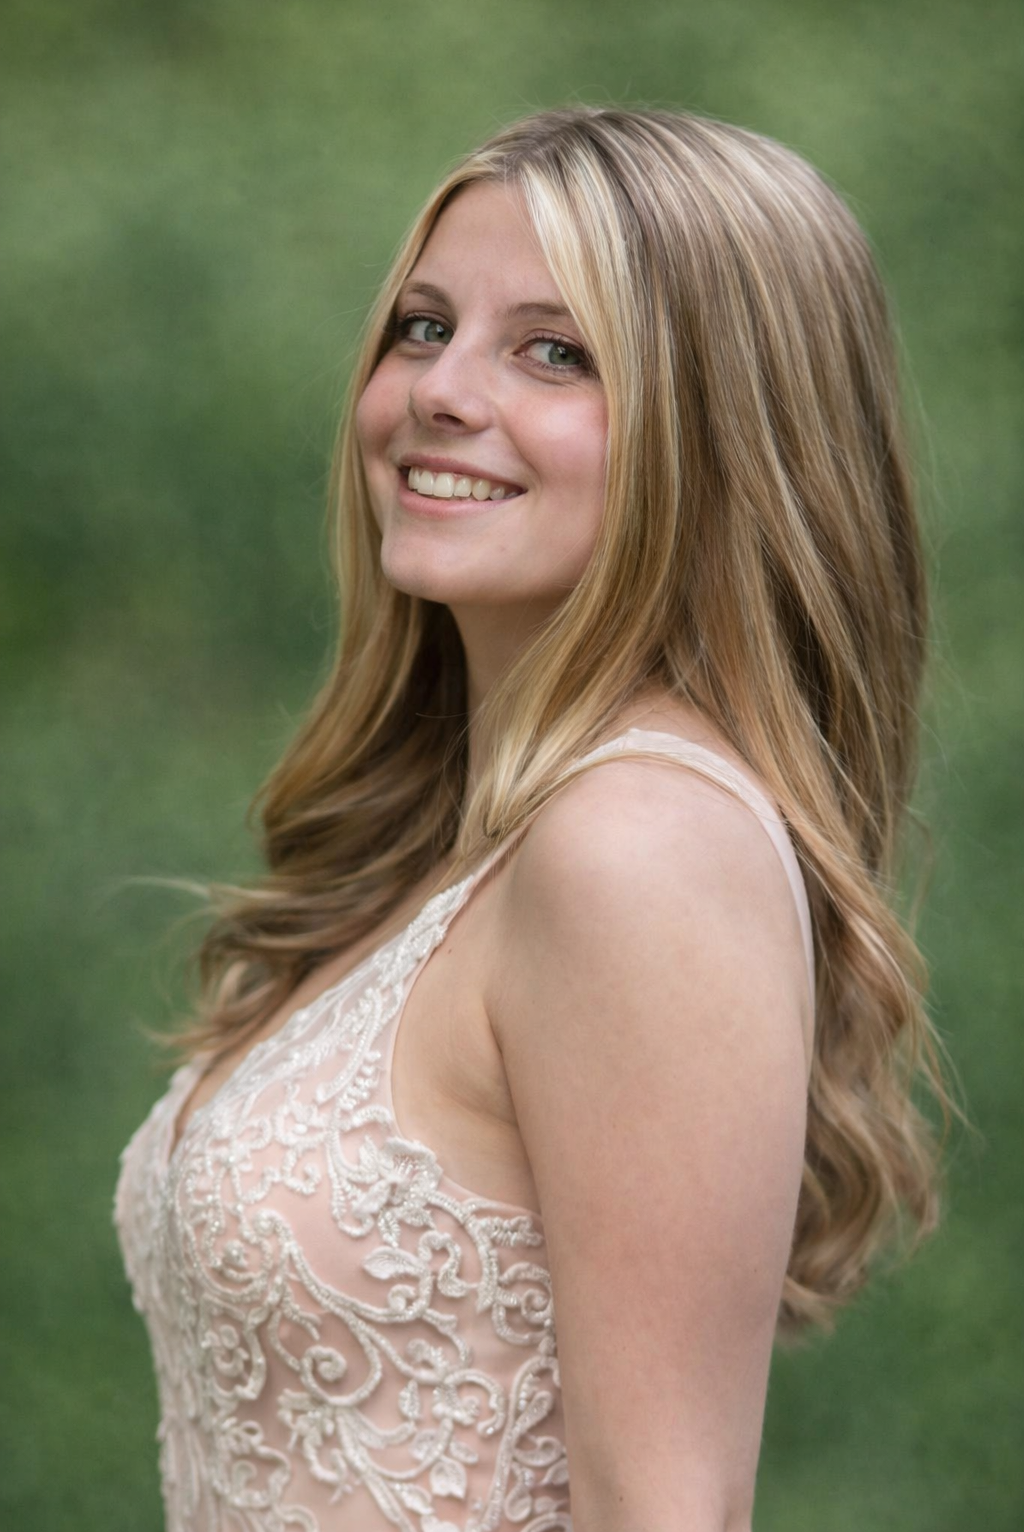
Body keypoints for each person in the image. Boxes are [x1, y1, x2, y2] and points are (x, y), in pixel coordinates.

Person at [115, 107, 946, 1531]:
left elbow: (670, 1511)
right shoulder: (471, 842)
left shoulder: (639, 846)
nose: (440, 389)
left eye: (555, 353)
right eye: (423, 327)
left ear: (727, 433)